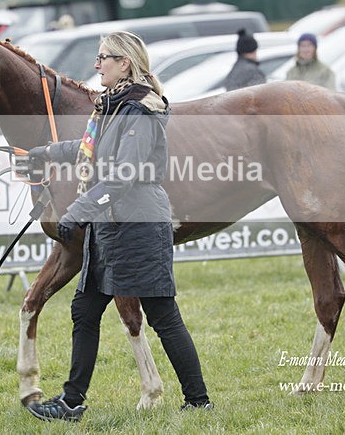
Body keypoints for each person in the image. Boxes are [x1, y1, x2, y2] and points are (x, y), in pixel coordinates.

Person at [26, 31, 211, 422]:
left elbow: (123, 174)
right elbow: (90, 150)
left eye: (103, 57)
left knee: (162, 315)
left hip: (139, 225)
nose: (97, 65)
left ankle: (198, 401)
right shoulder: (113, 106)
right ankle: (72, 402)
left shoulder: (141, 110)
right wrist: (44, 154)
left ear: (124, 63)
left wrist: (77, 210)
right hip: (109, 226)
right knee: (85, 309)